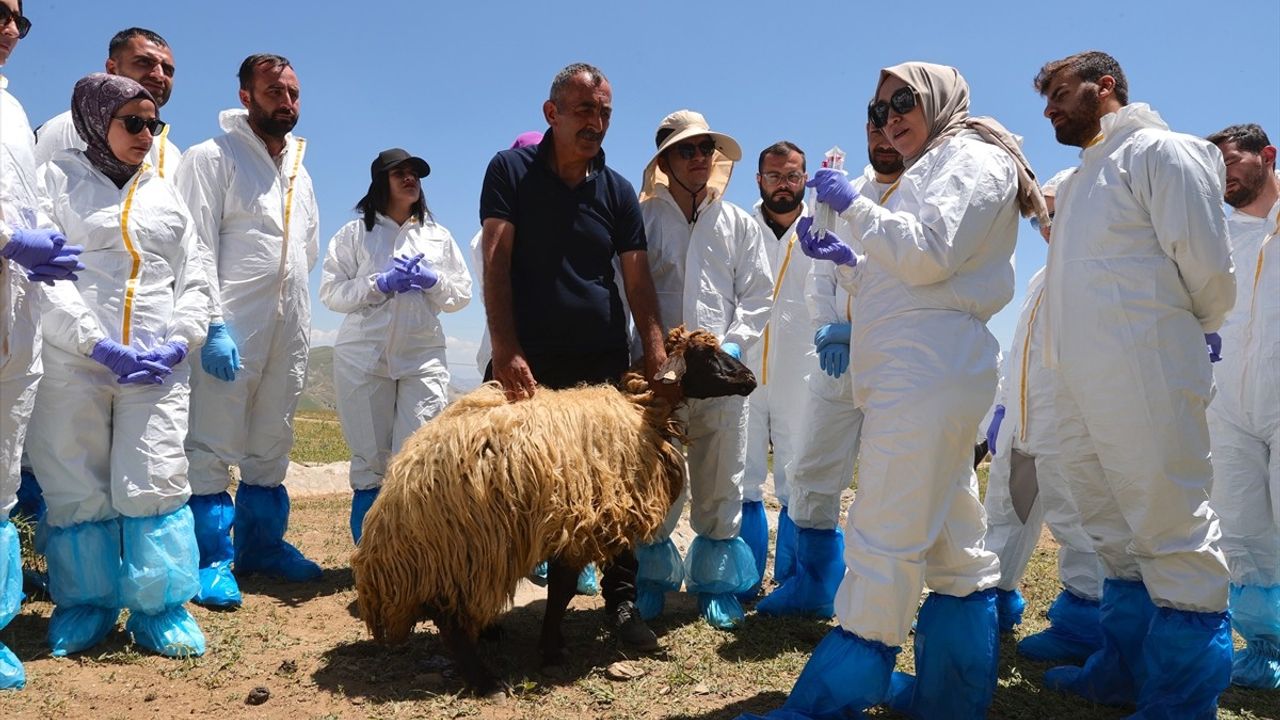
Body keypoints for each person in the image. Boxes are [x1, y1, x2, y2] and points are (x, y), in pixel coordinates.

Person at [747, 62, 1045, 719]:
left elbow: (928, 253)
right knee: (955, 548)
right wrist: (851, 263)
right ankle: (950, 696)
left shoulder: (967, 159)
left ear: (939, 101)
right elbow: (915, 269)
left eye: (901, 103)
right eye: (877, 112)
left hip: (923, 376)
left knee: (881, 544)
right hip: (920, 374)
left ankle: (829, 703)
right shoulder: (933, 167)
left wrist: (851, 207)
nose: (888, 121)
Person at [1033, 51, 1235, 716]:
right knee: (1111, 530)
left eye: (1062, 92)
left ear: (1107, 86)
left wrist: (1185, 330)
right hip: (1080, 380)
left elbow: (1207, 267)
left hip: (1144, 369)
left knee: (1171, 526)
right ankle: (1119, 670)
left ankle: (1179, 698)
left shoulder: (1162, 151)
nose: (1050, 108)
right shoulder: (1085, 174)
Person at [478, 63, 668, 653]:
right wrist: (506, 349)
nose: (596, 123)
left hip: (599, 365)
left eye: (605, 112)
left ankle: (621, 603)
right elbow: (496, 261)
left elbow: (638, 284)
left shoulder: (614, 191)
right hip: (526, 366)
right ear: (551, 112)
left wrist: (656, 359)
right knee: (505, 486)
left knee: (614, 486)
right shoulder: (510, 170)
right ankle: (484, 603)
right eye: (585, 109)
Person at [27, 73, 209, 659]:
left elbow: (198, 277)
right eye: (132, 122)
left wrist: (180, 341)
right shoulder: (54, 180)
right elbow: (44, 278)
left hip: (156, 367)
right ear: (95, 119)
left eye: (153, 125)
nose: (146, 135)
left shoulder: (166, 191)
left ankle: (161, 609)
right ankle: (86, 604)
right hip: (73, 363)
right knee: (75, 480)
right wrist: (95, 344)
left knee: (155, 477)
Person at [175, 53, 322, 609]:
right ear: (245, 97)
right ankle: (210, 559)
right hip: (231, 325)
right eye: (273, 92)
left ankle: (262, 548)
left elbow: (305, 249)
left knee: (271, 439)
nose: (286, 102)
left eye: (293, 92)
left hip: (289, 328)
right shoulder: (211, 157)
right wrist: (214, 321)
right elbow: (196, 246)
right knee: (211, 442)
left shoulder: (299, 169)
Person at [755, 123, 902, 619]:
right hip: (833, 362)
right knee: (812, 468)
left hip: (889, 356)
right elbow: (821, 269)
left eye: (896, 128)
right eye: (876, 126)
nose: (886, 139)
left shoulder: (923, 193)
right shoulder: (847, 193)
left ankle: (872, 596)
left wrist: (856, 331)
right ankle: (811, 585)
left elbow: (916, 272)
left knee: (888, 481)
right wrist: (828, 327)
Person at [634, 110, 773, 629]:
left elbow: (758, 293)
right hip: (659, 374)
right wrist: (648, 355)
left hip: (720, 373)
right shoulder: (643, 220)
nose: (698, 158)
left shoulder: (737, 222)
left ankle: (716, 586)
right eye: (686, 150)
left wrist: (732, 344)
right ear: (665, 160)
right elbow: (631, 289)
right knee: (659, 476)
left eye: (705, 149)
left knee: (721, 475)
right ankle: (652, 578)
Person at [470, 130, 603, 597]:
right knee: (510, 471)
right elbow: (495, 270)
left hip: (573, 355)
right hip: (516, 356)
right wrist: (505, 349)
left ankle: (570, 557)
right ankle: (503, 566)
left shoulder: (588, 206)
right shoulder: (497, 222)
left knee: (567, 469)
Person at [981, 170, 1105, 664]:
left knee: (1078, 523)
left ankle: (1084, 625)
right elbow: (1021, 354)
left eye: (1055, 212)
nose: (1047, 225)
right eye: (1040, 218)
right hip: (1022, 424)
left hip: (1070, 423)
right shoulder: (1040, 278)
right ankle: (995, 600)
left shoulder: (1097, 269)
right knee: (1005, 514)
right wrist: (1002, 409)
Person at [319, 148, 471, 544]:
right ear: (380, 182)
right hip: (362, 358)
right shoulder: (354, 234)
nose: (410, 180)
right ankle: (371, 554)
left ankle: (413, 555)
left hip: (422, 358)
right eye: (399, 173)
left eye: (415, 174)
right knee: (370, 458)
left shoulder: (437, 236)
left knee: (417, 456)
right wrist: (378, 284)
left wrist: (432, 280)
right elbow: (331, 294)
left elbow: (462, 295)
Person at [0, 0, 83, 689]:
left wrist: (37, 248)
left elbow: (21, 212)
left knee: (0, 480)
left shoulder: (10, 113)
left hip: (14, 323)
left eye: (18, 21)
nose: (8, 30)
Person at [1204, 122, 1279, 689]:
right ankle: (1264, 646)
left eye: (1231, 161)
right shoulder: (1219, 237)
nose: (1223, 174)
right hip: (1229, 404)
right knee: (1244, 529)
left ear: (1267, 156)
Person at [738, 140, 811, 599]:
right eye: (773, 176)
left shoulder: (825, 226)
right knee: (740, 473)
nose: (783, 186)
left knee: (796, 474)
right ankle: (741, 577)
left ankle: (794, 579)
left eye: (792, 176)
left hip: (802, 371)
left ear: (805, 179)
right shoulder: (740, 226)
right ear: (759, 179)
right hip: (743, 368)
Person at [34, 27, 180, 177]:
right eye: (144, 62)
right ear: (112, 68)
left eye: (168, 70)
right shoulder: (70, 127)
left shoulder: (171, 153)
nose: (159, 75)